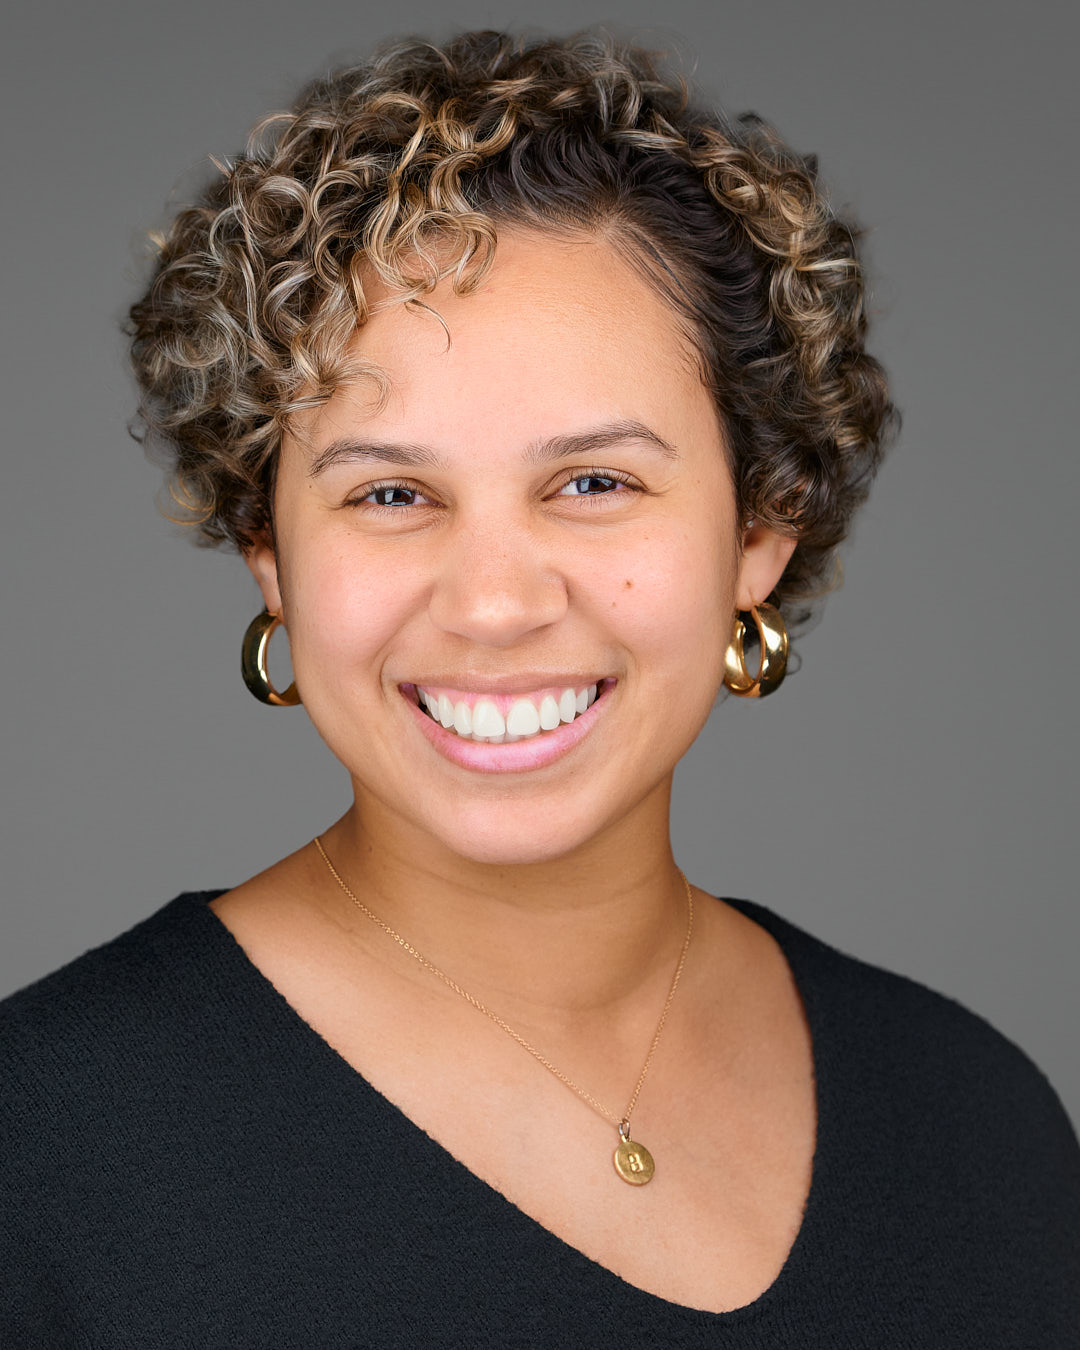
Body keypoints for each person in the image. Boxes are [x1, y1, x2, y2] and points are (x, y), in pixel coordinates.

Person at [1, 26, 1077, 1348]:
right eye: (392, 493)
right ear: (270, 553)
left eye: (593, 483)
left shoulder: (980, 1123)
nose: (496, 601)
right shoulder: (40, 1153)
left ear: (761, 528)